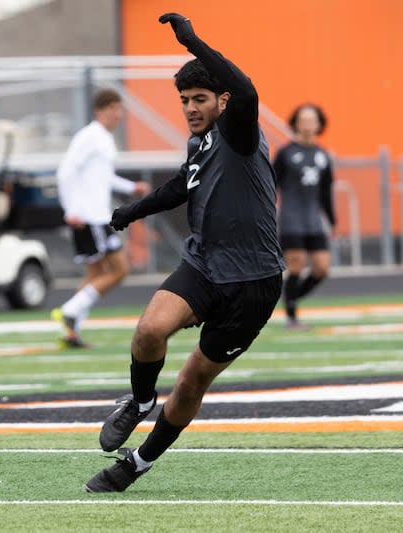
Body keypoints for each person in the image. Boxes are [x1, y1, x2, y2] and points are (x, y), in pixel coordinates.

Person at [84, 13, 285, 492]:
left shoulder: (240, 129)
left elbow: (249, 90)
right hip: (204, 264)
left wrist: (194, 42)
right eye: (185, 101)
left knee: (193, 380)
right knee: (150, 329)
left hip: (253, 283)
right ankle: (139, 401)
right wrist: (130, 212)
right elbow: (180, 187)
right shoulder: (199, 143)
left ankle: (138, 464)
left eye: (200, 99)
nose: (191, 108)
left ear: (223, 100)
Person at [51, 88, 151, 348]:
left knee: (95, 273)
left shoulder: (103, 139)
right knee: (119, 270)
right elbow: (65, 172)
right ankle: (70, 311)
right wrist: (70, 209)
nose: (117, 114)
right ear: (99, 111)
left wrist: (131, 188)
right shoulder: (90, 136)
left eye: (119, 109)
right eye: (113, 109)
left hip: (95, 215)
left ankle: (70, 332)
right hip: (89, 216)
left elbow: (104, 176)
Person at [274, 104, 335, 329]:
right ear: (295, 123)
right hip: (291, 219)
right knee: (297, 266)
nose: (308, 124)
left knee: (321, 268)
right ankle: (292, 317)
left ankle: (290, 298)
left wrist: (332, 219)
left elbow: (326, 191)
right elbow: (271, 183)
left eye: (312, 120)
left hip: (314, 220)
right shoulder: (286, 153)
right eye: (303, 120)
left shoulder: (323, 155)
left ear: (319, 125)